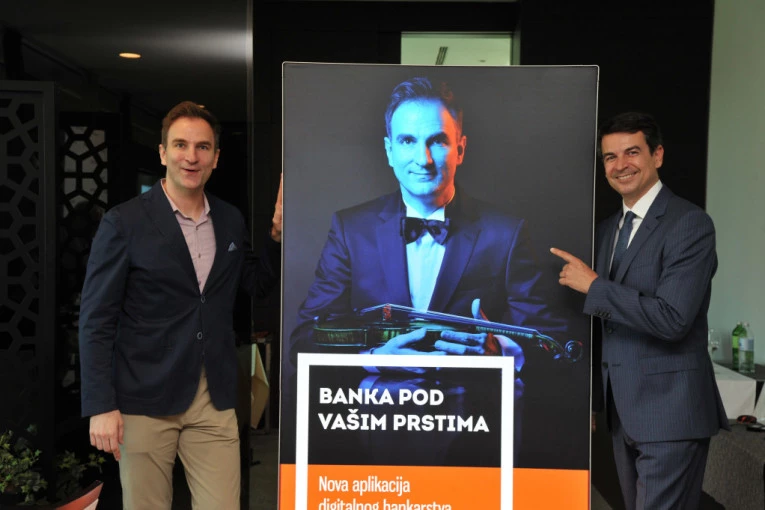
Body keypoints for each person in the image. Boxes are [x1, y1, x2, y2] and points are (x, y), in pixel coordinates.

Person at [286, 77, 574, 466]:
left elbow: (550, 343)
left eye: (437, 141)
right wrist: (374, 357)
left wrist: (502, 352)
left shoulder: (505, 232)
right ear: (389, 150)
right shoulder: (350, 228)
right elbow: (305, 339)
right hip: (374, 439)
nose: (422, 159)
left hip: (474, 442)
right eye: (407, 141)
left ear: (460, 149)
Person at [79, 101, 283, 509]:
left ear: (216, 158)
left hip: (213, 397)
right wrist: (101, 405)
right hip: (144, 399)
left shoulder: (229, 219)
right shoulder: (124, 222)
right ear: (163, 153)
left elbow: (255, 283)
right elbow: (96, 318)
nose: (191, 156)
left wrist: (276, 237)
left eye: (203, 147)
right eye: (180, 145)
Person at [551, 111, 728, 510]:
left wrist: (594, 287)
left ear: (657, 155)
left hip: (671, 414)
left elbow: (672, 319)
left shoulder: (690, 224)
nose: (620, 165)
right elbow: (606, 328)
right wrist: (594, 400)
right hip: (622, 416)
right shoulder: (607, 229)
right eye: (610, 157)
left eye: (632, 152)